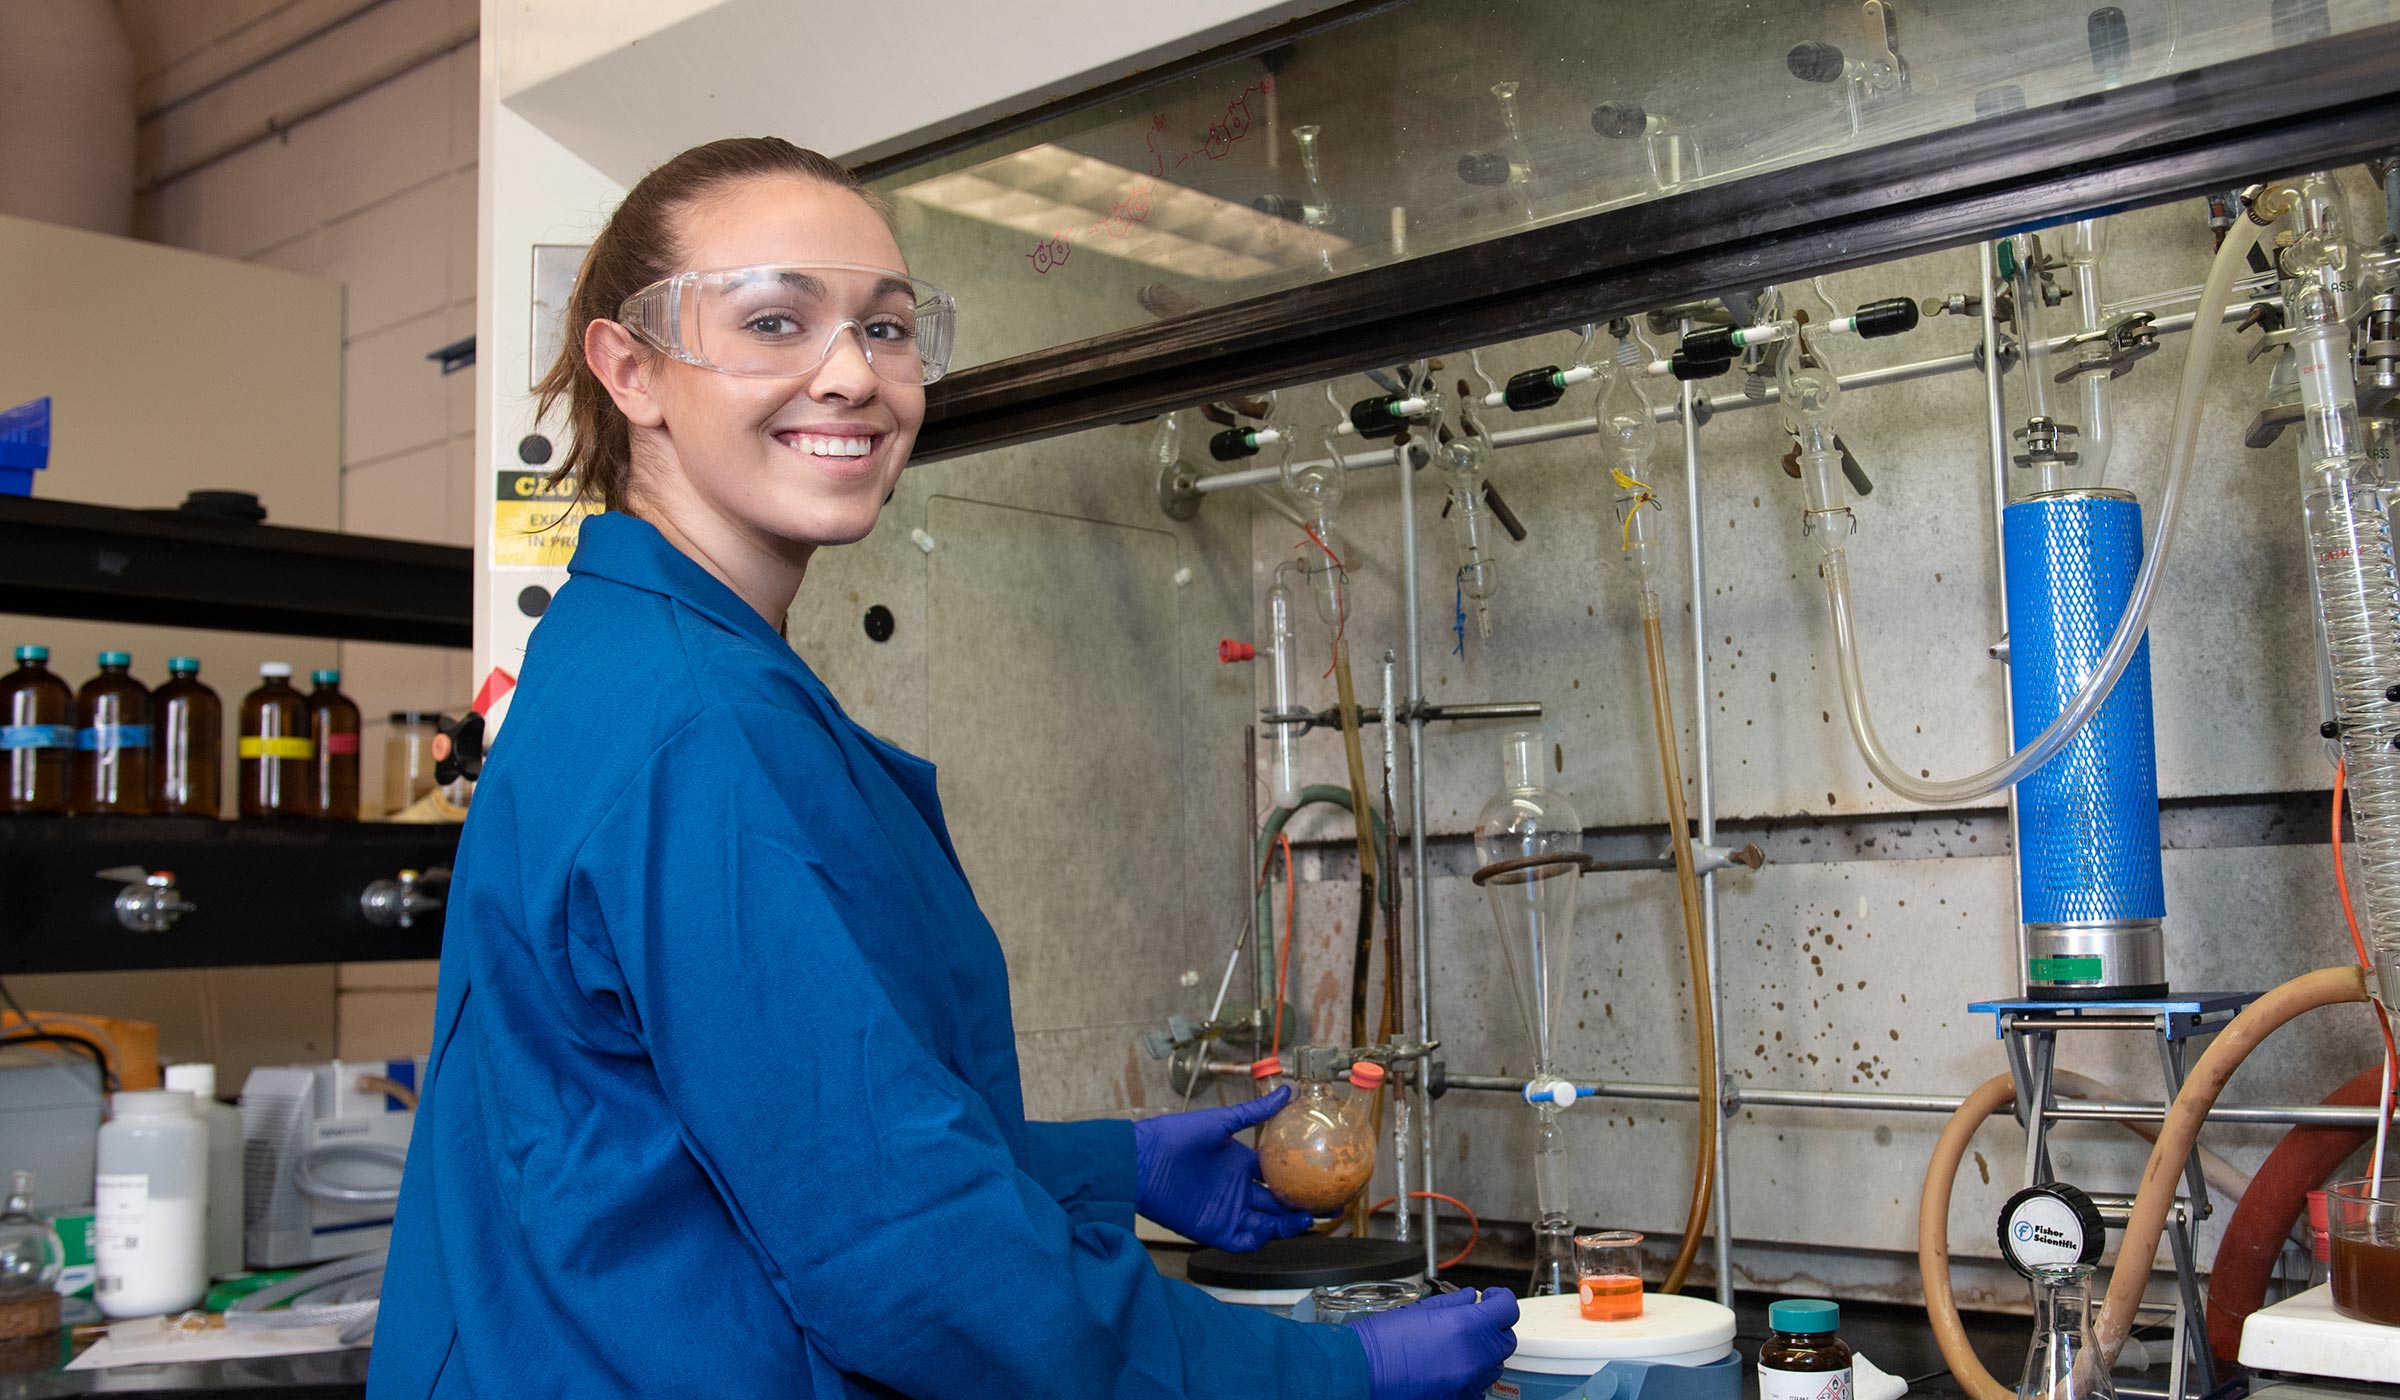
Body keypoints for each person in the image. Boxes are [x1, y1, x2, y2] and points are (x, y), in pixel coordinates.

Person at [367, 137, 1518, 1399]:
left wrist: (1108, 1165)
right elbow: (906, 1250)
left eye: (889, 327)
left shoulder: (631, 657)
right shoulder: (697, 722)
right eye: (774, 321)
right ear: (630, 367)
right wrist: (1319, 1374)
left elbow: (722, 1132)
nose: (852, 374)